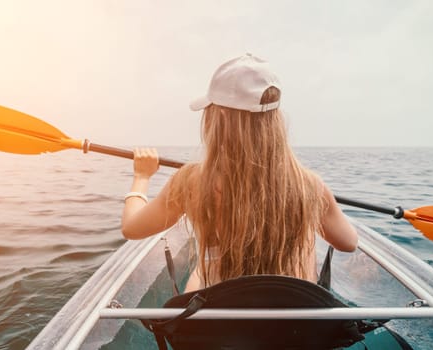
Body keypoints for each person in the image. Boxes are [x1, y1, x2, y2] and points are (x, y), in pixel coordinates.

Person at [121, 53, 358, 292]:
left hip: (221, 316)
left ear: (219, 115)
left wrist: (142, 177)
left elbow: (132, 228)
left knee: (199, 276)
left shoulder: (192, 181)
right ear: (274, 118)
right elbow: (349, 242)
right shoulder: (309, 185)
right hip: (290, 319)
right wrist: (311, 207)